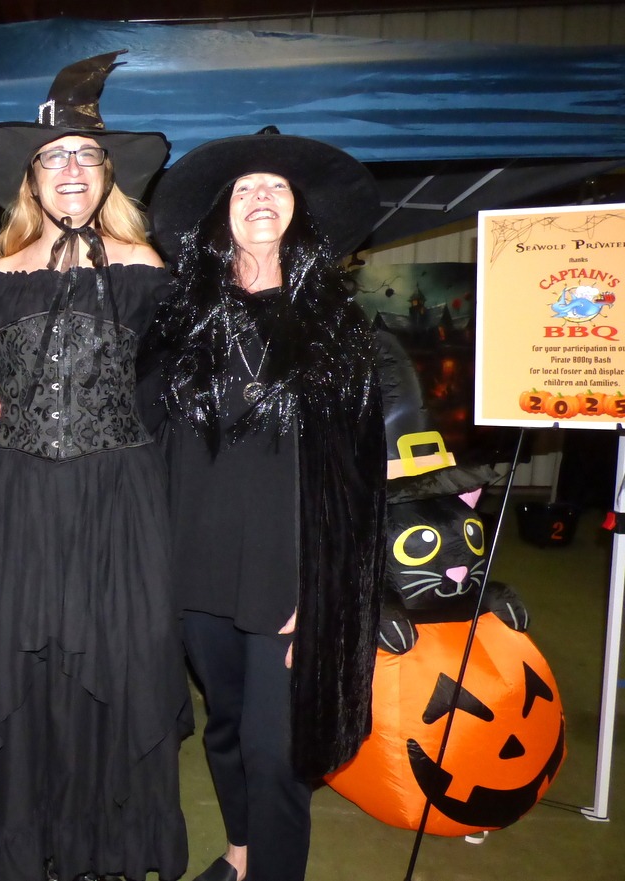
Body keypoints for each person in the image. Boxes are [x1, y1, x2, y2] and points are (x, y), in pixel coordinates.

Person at [0, 52, 190, 881]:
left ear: (107, 174)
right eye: (52, 158)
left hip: (117, 504)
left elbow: (181, 393)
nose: (69, 169)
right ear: (30, 182)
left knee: (113, 669)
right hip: (15, 506)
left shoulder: (154, 274)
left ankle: (106, 851)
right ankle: (29, 849)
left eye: (84, 157)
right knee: (22, 677)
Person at [140, 127, 387, 881]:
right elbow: (134, 430)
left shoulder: (337, 332)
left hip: (287, 576)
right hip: (195, 570)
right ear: (220, 216)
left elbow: (358, 486)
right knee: (223, 727)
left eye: (275, 187)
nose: (258, 196)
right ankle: (241, 853)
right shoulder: (178, 322)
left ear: (299, 212)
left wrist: (323, 592)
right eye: (243, 187)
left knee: (274, 749)